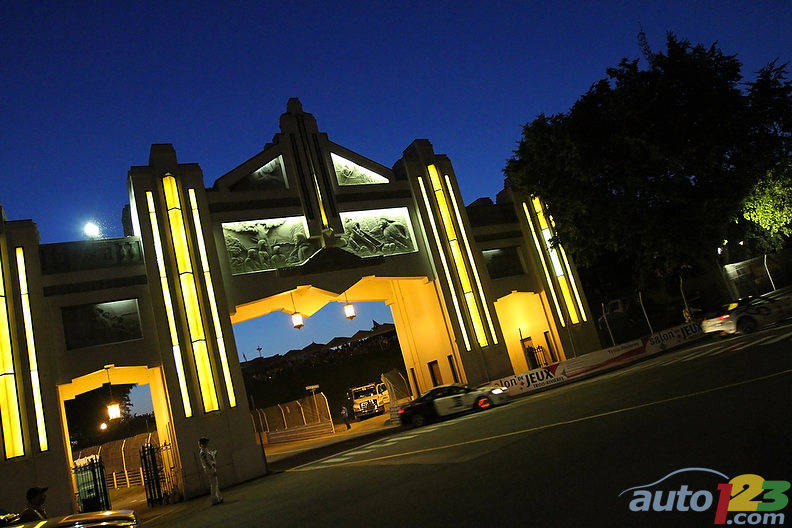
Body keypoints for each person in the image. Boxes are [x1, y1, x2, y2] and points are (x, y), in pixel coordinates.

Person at [198, 437, 223, 505]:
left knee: (215, 483)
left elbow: (210, 458)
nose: (207, 444)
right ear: (203, 444)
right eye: (206, 443)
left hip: (210, 468)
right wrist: (212, 470)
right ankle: (214, 499)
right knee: (214, 484)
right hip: (209, 469)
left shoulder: (205, 450)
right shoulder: (203, 452)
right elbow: (207, 462)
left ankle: (218, 497)